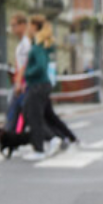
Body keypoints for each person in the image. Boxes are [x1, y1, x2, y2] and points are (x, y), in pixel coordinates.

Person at [21, 16, 62, 161]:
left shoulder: (38, 47)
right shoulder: (38, 44)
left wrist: (27, 73)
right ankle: (49, 140)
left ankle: (41, 147)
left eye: (30, 25)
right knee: (28, 113)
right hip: (38, 85)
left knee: (34, 117)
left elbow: (40, 66)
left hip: (38, 85)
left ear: (35, 27)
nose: (28, 29)